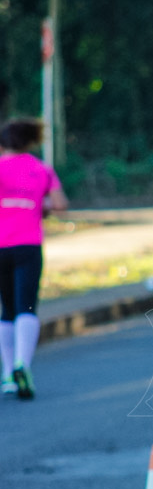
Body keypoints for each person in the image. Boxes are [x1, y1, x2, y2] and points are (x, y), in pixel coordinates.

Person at [0, 118, 69, 399]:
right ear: (30, 142)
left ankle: (7, 375)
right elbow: (60, 204)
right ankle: (22, 365)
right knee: (26, 306)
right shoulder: (42, 169)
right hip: (28, 246)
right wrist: (40, 205)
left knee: (6, 311)